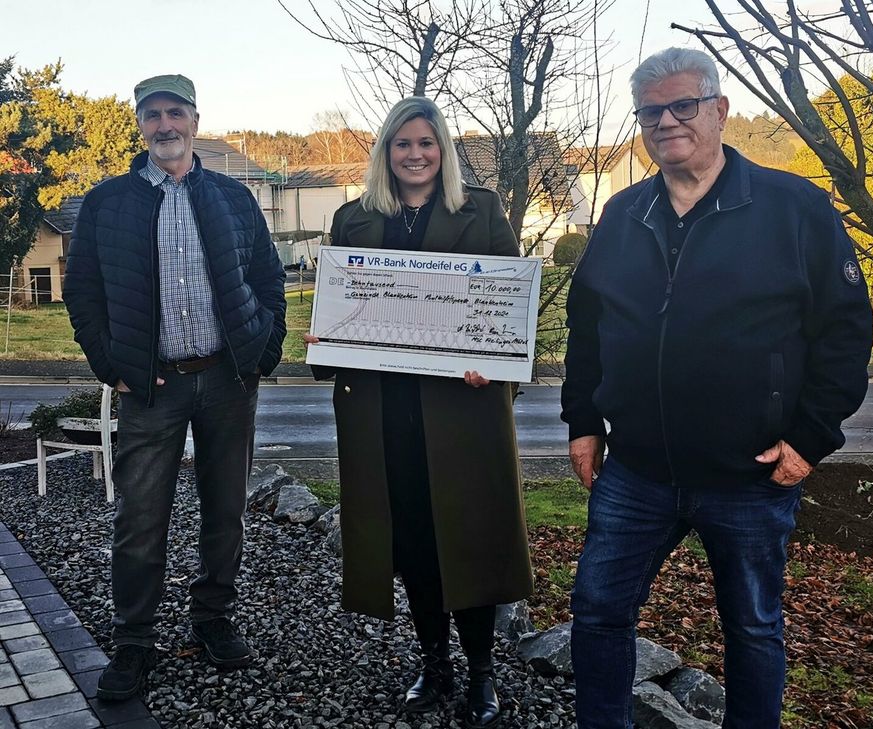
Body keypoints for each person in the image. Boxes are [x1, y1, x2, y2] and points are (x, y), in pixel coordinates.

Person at [561, 47, 873, 729]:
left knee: (753, 629)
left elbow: (846, 330)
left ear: (719, 110)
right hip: (636, 471)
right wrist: (582, 419)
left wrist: (810, 436)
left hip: (750, 473)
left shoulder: (793, 208)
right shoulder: (622, 215)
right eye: (650, 112)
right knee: (597, 611)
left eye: (682, 106)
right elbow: (584, 324)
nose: (666, 122)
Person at [305, 96, 533, 728]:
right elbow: (340, 308)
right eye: (402, 144)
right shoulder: (354, 219)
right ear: (385, 152)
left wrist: (495, 359)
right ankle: (435, 665)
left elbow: (509, 307)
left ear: (444, 151)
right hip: (384, 416)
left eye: (426, 144)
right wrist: (327, 340)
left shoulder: (481, 211)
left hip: (461, 412)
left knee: (469, 537)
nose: (415, 155)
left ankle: (481, 673)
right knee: (411, 543)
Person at [63, 74, 287, 700]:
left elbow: (268, 279)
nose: (165, 125)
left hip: (226, 380)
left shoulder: (232, 197)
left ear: (195, 119)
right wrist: (114, 366)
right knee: (139, 520)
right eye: (153, 114)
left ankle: (212, 619)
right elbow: (83, 294)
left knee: (225, 513)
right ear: (140, 124)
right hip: (151, 387)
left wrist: (261, 351)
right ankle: (134, 641)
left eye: (176, 113)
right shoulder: (108, 202)